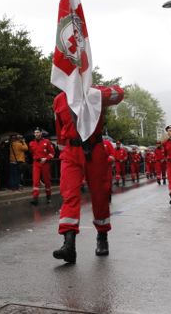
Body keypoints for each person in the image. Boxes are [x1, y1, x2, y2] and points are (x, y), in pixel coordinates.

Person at [52, 85, 124, 264]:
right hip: (71, 151)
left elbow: (119, 94)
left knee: (100, 195)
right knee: (69, 194)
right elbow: (59, 130)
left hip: (94, 148)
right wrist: (63, 151)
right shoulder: (59, 99)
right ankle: (69, 245)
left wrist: (96, 94)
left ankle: (102, 236)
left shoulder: (95, 91)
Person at [28, 127, 55, 205]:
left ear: (41, 133)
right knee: (35, 181)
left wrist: (46, 158)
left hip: (45, 164)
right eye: (35, 132)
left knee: (47, 181)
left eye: (38, 132)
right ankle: (35, 198)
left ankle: (48, 196)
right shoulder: (31, 143)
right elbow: (31, 153)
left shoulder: (47, 142)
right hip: (36, 163)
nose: (36, 134)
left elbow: (52, 153)